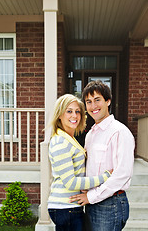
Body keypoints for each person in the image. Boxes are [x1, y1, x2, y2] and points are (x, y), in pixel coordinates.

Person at [70, 81, 135, 231]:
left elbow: (122, 174)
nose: (93, 106)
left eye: (97, 100)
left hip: (110, 204)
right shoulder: (91, 134)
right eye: (88, 102)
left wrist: (91, 197)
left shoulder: (119, 132)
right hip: (93, 201)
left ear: (108, 101)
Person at [47, 94, 112, 231]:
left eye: (77, 112)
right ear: (60, 114)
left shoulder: (69, 138)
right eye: (69, 111)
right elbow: (70, 182)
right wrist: (105, 177)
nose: (74, 115)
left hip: (70, 207)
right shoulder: (60, 141)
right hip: (65, 207)